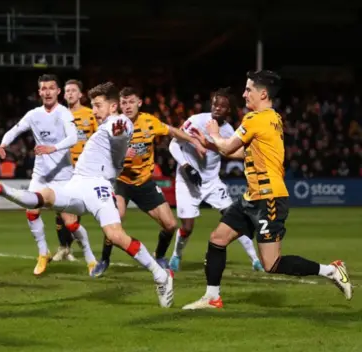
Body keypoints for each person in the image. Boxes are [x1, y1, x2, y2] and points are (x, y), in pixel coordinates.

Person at [0, 82, 174, 308]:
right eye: (93, 106)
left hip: (99, 187)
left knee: (116, 235)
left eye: (98, 106)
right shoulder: (105, 126)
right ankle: (2, 189)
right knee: (43, 197)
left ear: (113, 105)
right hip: (78, 183)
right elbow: (116, 140)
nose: (94, 111)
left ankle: (160, 276)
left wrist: (117, 135)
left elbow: (121, 128)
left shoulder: (119, 122)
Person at [182, 70, 352, 310]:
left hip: (269, 198)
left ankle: (331, 270)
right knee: (217, 239)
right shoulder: (273, 118)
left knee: (271, 264)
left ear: (263, 94)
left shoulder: (255, 119)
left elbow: (229, 147)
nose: (243, 94)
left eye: (248, 89)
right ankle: (212, 297)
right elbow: (242, 152)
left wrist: (214, 134)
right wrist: (210, 142)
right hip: (252, 197)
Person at [91, 87, 207, 277]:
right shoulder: (114, 125)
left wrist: (195, 142)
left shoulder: (149, 122)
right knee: (115, 220)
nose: (127, 106)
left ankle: (159, 255)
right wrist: (119, 153)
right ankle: (104, 259)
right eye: (124, 102)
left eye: (131, 102)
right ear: (119, 105)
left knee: (170, 225)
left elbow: (172, 131)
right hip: (122, 182)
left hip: (145, 182)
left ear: (139, 103)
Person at [0, 74, 96, 275]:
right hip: (41, 175)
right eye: (44, 88)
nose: (47, 92)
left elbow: (73, 137)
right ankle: (43, 253)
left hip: (64, 176)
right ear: (39, 92)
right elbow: (15, 129)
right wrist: (3, 143)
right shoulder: (34, 114)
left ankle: (90, 257)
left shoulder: (64, 113)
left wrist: (53, 148)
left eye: (51, 88)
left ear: (58, 91)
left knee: (71, 222)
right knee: (31, 211)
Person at [167, 88, 263, 272]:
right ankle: (176, 255)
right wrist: (186, 166)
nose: (217, 108)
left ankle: (255, 260)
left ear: (229, 110)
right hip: (187, 181)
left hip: (212, 182)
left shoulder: (228, 131)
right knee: (187, 226)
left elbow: (235, 152)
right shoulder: (196, 121)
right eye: (215, 104)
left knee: (234, 218)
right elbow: (173, 144)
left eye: (223, 106)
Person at [53, 79, 98, 262]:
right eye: (67, 91)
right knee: (59, 208)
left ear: (80, 94)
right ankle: (64, 248)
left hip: (84, 169)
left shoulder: (90, 114)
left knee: (75, 209)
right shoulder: (59, 115)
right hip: (64, 169)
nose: (70, 94)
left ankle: (70, 245)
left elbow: (98, 139)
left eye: (73, 90)